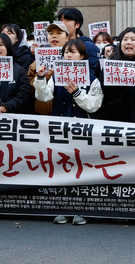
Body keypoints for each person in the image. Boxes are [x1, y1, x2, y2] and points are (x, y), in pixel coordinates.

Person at [35, 39, 104, 227]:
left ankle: (82, 209)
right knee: (61, 168)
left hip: (82, 132)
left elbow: (94, 105)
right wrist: (41, 79)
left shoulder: (92, 78)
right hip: (59, 130)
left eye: (73, 52)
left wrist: (77, 93)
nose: (68, 55)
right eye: (66, 52)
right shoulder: (56, 76)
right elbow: (44, 96)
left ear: (82, 56)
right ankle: (62, 207)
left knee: (82, 170)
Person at [100, 27, 135, 124]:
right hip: (114, 121)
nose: (128, 42)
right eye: (125, 39)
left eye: (133, 39)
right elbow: (101, 92)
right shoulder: (110, 65)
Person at [27, 22, 69, 115]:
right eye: (51, 33)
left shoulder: (72, 57)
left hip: (66, 113)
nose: (54, 36)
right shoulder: (39, 59)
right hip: (43, 114)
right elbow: (29, 82)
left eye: (59, 33)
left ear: (67, 38)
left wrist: (55, 76)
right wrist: (43, 78)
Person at [57, 8, 100, 76]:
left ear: (77, 25)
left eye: (67, 20)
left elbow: (94, 72)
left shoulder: (89, 47)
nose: (62, 23)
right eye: (61, 20)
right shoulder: (51, 46)